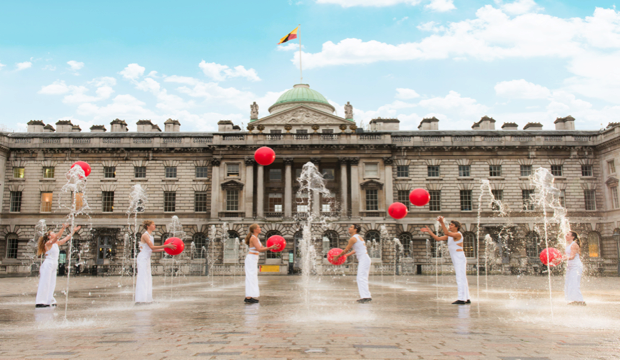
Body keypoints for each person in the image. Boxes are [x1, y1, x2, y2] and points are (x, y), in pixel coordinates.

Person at [422, 217, 470, 305]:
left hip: (459, 257)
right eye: (450, 224)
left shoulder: (458, 234)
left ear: (457, 227)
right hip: (456, 258)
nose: (450, 226)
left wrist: (441, 223)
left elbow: (446, 232)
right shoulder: (450, 236)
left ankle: (461, 299)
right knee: (462, 277)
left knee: (460, 278)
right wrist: (429, 232)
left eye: (452, 225)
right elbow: (438, 238)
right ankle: (466, 298)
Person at [35, 223, 81, 308]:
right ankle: (41, 301)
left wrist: (73, 231)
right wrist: (63, 228)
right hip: (48, 264)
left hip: (53, 264)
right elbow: (57, 237)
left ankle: (49, 300)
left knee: (52, 283)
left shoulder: (56, 244)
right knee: (45, 282)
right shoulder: (48, 243)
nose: (54, 233)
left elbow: (66, 239)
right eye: (52, 233)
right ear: (49, 236)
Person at [135, 220, 176, 304]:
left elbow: (151, 250)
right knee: (142, 278)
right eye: (153, 224)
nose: (155, 226)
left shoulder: (150, 236)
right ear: (148, 226)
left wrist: (165, 250)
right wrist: (166, 246)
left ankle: (148, 299)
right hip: (142, 258)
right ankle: (140, 300)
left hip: (146, 258)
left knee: (148, 278)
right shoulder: (145, 235)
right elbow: (152, 247)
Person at [333, 224, 372, 303]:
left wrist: (338, 256)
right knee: (362, 277)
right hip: (365, 259)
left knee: (361, 278)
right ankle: (366, 296)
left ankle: (365, 297)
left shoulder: (353, 238)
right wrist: (346, 255)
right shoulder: (358, 237)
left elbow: (346, 249)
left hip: (364, 259)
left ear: (355, 229)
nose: (349, 228)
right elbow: (355, 250)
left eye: (351, 227)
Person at [244, 224, 278, 304]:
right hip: (251, 259)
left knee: (253, 277)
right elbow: (259, 249)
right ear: (255, 230)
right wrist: (270, 247)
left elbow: (263, 248)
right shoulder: (253, 238)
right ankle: (248, 297)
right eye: (259, 227)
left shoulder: (256, 238)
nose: (260, 228)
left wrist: (272, 247)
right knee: (250, 277)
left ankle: (250, 296)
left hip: (253, 259)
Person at [563, 231, 585, 306]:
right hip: (570, 266)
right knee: (569, 283)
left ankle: (580, 300)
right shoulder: (568, 245)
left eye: (568, 235)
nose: (566, 236)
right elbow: (565, 256)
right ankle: (574, 299)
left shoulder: (574, 245)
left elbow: (572, 257)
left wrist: (564, 259)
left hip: (576, 266)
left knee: (574, 283)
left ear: (572, 237)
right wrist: (558, 259)